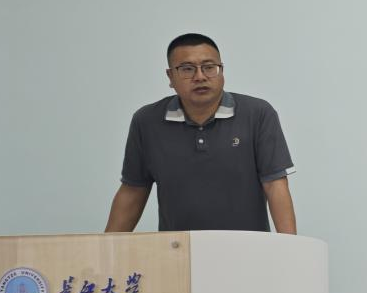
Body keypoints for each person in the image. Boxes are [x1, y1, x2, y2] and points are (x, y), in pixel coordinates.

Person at [105, 33, 297, 234]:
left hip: (248, 246)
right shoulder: (147, 121)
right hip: (178, 247)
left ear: (221, 71)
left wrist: (292, 247)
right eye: (187, 69)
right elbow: (133, 190)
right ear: (170, 77)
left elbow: (275, 185)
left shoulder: (257, 114)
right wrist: (104, 248)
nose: (200, 77)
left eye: (209, 67)